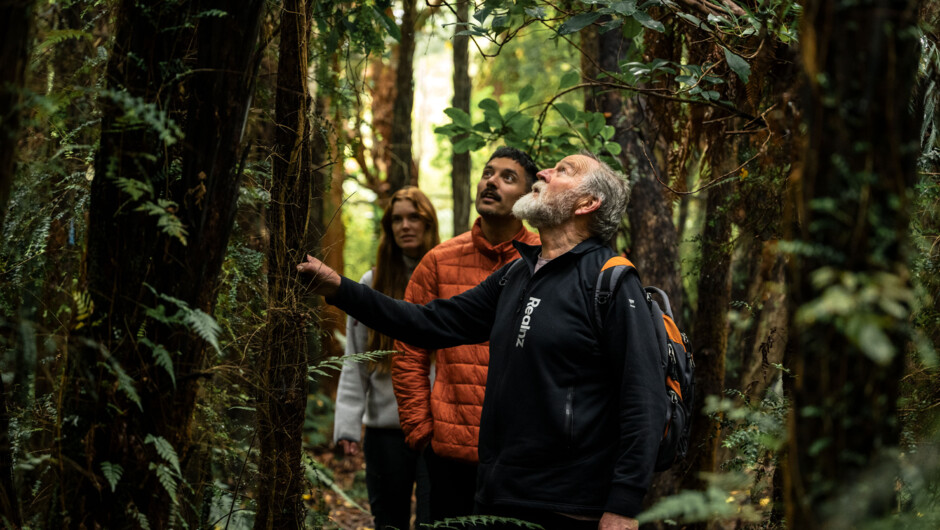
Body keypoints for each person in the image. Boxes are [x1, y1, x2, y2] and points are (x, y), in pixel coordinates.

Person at [301, 152, 666, 530]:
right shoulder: (516, 274)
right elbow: (428, 322)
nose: (544, 171)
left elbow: (645, 398)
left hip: (570, 505)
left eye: (563, 170)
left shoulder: (611, 282)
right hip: (499, 495)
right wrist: (340, 288)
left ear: (588, 204)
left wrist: (624, 504)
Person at [392, 147, 540, 521]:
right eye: (488, 173)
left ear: (529, 196)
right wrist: (421, 430)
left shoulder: (548, 260)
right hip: (446, 455)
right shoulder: (438, 261)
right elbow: (408, 348)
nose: (491, 181)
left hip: (523, 461)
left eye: (508, 177)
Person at [332, 186, 440, 530]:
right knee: (389, 523)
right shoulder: (371, 282)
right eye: (397, 219)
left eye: (414, 217)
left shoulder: (449, 279)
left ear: (429, 223)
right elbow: (356, 361)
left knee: (434, 521)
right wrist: (347, 427)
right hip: (385, 431)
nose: (405, 226)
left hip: (438, 429)